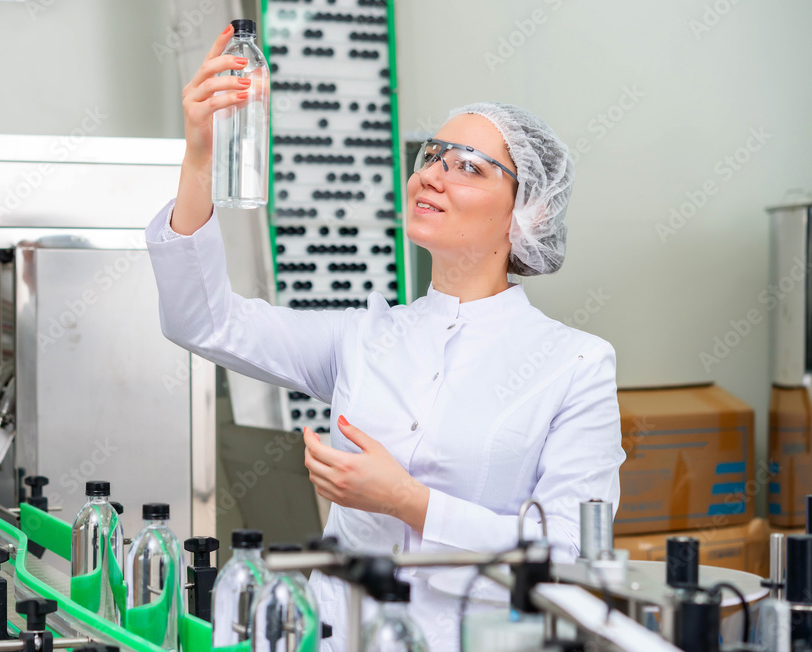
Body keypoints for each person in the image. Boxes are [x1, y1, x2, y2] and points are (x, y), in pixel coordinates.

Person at [144, 25, 624, 651]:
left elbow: (573, 561)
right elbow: (203, 321)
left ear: (524, 212)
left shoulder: (574, 363)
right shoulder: (363, 337)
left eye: (469, 167)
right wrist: (202, 155)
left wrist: (407, 500)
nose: (432, 175)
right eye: (432, 155)